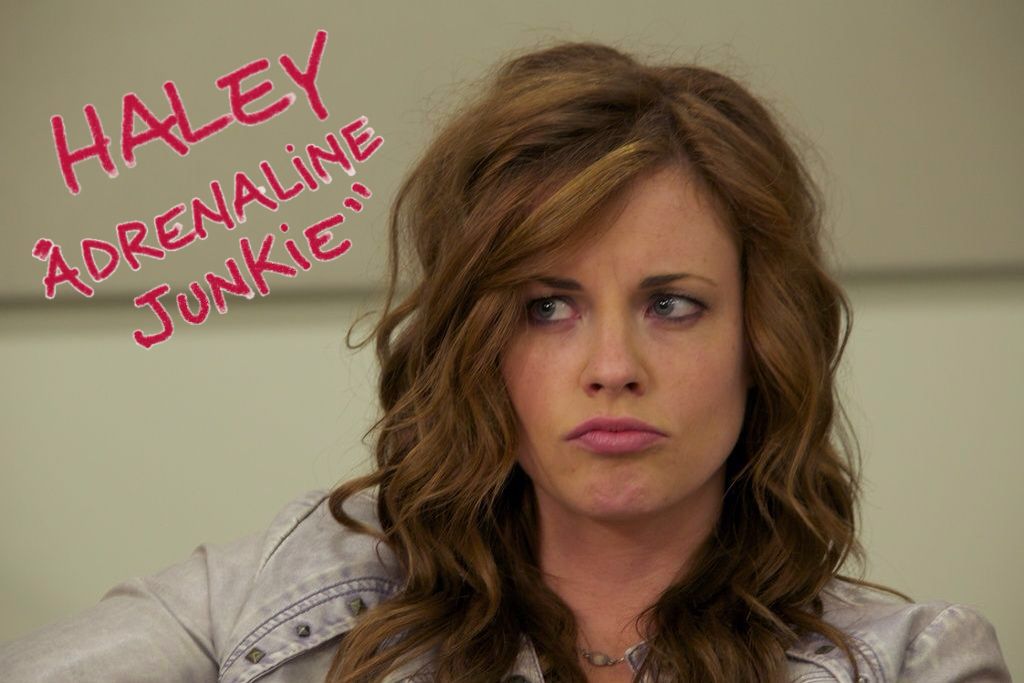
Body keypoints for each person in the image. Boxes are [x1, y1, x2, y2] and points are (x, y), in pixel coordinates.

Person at [0, 41, 1011, 683]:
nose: (611, 366)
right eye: (546, 307)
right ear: (473, 345)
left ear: (762, 340)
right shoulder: (278, 598)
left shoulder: (915, 660)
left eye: (671, 304)